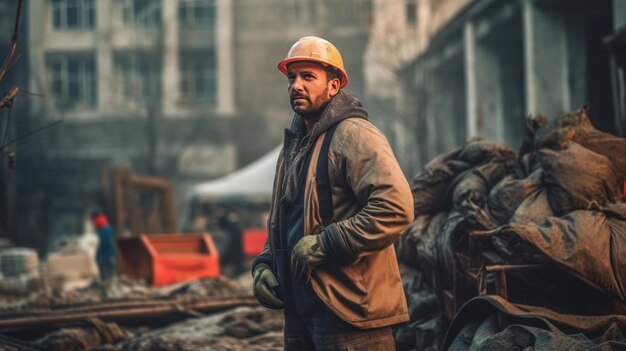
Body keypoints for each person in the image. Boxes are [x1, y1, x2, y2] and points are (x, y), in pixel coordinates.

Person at [251, 36, 414, 350]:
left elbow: (396, 206)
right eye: (292, 78)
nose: (296, 85)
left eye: (308, 77)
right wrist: (265, 264)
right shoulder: (295, 146)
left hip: (350, 314)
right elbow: (285, 219)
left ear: (334, 85)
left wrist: (327, 242)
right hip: (301, 315)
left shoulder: (354, 135)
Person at [90, 211, 117, 280]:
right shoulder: (104, 229)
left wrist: (111, 256)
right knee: (107, 278)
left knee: (107, 278)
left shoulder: (104, 230)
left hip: (105, 259)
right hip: (103, 258)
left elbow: (110, 244)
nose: (92, 223)